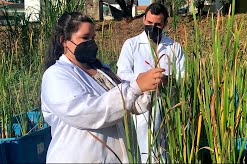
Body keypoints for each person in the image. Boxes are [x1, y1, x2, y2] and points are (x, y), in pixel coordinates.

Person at [41, 12, 165, 163]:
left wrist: (149, 88)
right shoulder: (56, 75)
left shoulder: (102, 70)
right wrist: (136, 87)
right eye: (85, 38)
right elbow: (88, 113)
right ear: (64, 41)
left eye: (93, 38)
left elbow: (131, 105)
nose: (91, 43)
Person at [117, 3, 185, 163]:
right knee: (141, 150)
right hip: (139, 108)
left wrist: (166, 80)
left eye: (157, 24)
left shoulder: (174, 47)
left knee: (164, 152)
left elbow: (182, 76)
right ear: (143, 20)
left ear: (165, 24)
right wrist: (145, 79)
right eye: (149, 23)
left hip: (167, 107)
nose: (152, 27)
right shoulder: (131, 45)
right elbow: (122, 74)